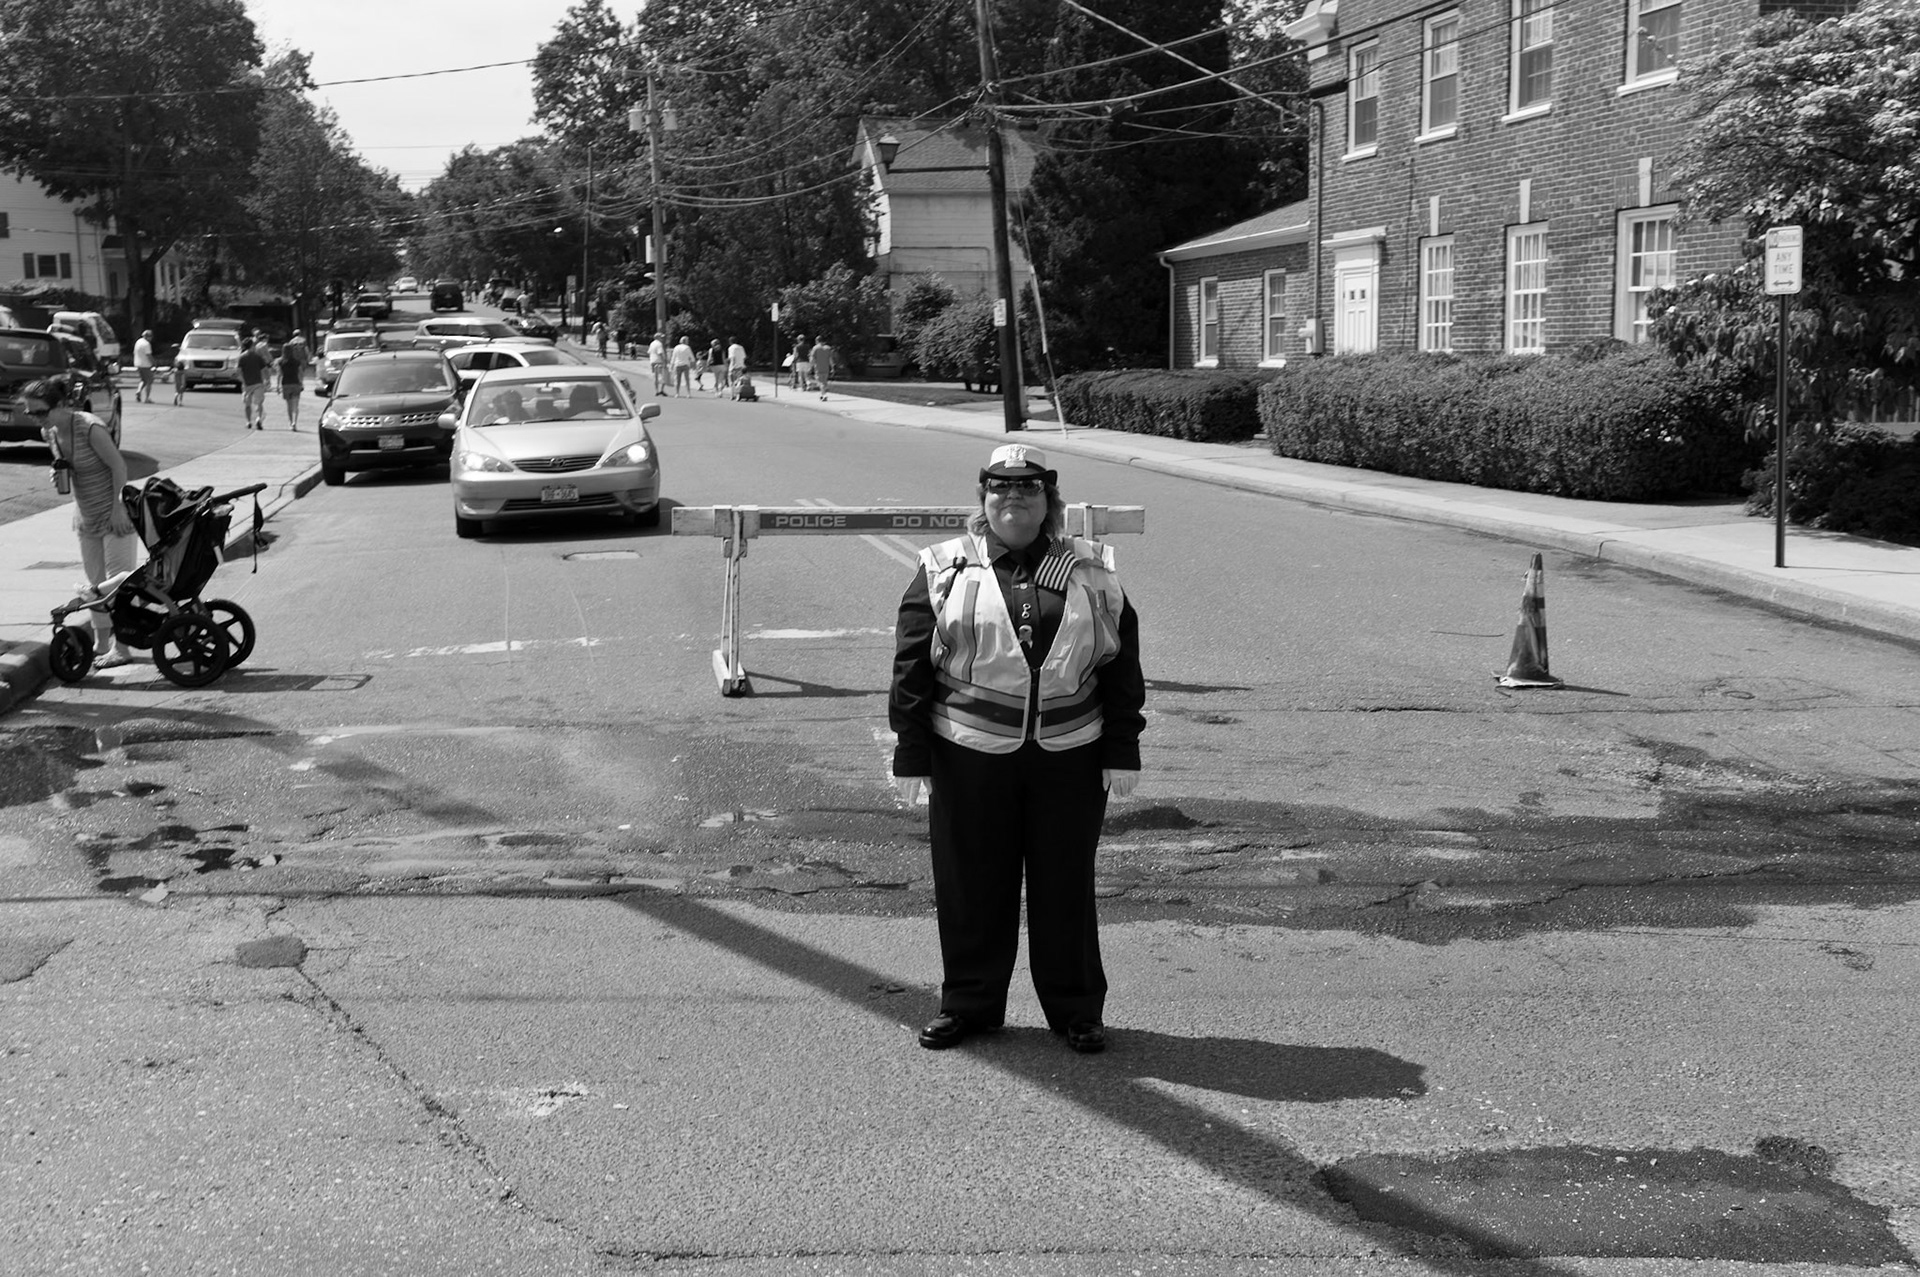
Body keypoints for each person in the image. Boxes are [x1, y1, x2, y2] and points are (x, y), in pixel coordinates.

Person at [889, 444, 1145, 1056]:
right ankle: (969, 1005)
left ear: (1047, 502)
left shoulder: (1091, 570)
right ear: (983, 501)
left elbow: (1121, 662)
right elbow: (911, 665)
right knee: (971, 882)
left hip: (1071, 752)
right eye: (1000, 490)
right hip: (968, 749)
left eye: (1028, 491)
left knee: (1066, 884)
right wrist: (911, 751)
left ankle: (1076, 1010)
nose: (1013, 500)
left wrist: (1122, 746)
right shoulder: (944, 567)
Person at [30, 378, 139, 668]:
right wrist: (58, 476)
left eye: (41, 412)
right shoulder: (50, 432)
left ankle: (123, 647)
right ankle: (101, 644)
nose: (38, 419)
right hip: (86, 515)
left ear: (62, 405)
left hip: (114, 512)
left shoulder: (89, 426)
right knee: (95, 586)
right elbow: (69, 470)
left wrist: (118, 507)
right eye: (32, 414)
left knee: (120, 584)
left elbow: (119, 465)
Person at [237, 339, 269, 429]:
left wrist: (243, 381)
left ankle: (248, 421)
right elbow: (264, 370)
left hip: (247, 385)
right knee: (259, 403)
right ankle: (258, 418)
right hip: (258, 383)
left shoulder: (241, 357)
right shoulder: (258, 357)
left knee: (247, 404)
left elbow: (238, 372)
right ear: (251, 346)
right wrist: (267, 380)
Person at [275, 342, 303, 429]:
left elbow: (279, 374)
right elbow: (300, 373)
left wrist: (277, 386)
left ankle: (291, 423)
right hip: (295, 383)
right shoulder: (297, 361)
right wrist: (301, 383)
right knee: (296, 405)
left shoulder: (280, 362)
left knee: (289, 405)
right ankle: (295, 422)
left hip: (285, 384)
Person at [132, 330, 155, 403]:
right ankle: (147, 398)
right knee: (149, 381)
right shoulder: (146, 344)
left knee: (143, 380)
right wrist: (154, 363)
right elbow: (148, 355)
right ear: (148, 337)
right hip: (146, 364)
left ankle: (138, 391)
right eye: (151, 336)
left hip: (138, 363)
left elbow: (134, 352)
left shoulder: (138, 342)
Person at [809, 336, 836, 400]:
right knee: (824, 382)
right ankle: (822, 394)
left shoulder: (815, 348)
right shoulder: (828, 348)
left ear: (817, 341)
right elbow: (830, 359)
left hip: (818, 368)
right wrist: (832, 367)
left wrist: (811, 367)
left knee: (820, 382)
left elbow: (812, 359)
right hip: (826, 368)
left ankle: (824, 395)